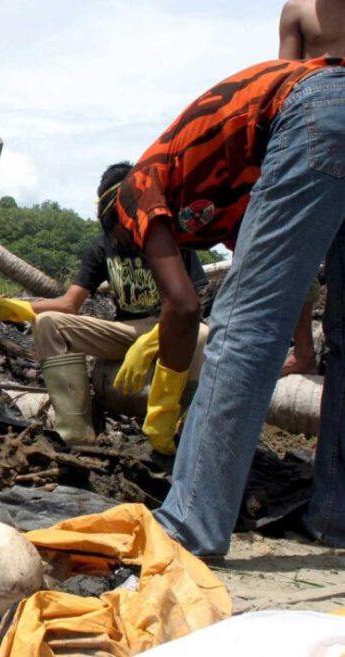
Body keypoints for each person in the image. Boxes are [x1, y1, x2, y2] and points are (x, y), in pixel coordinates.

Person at [100, 58, 345, 556]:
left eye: (132, 243)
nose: (140, 250)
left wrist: (163, 401)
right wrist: (303, 349)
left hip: (316, 110)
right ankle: (334, 517)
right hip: (330, 112)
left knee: (238, 330)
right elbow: (285, 278)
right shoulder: (222, 202)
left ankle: (188, 526)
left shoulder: (134, 190)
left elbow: (185, 306)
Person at [0, 162, 210, 448]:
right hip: (127, 331)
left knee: (203, 335)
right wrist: (14, 308)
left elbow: (197, 303)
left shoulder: (168, 238)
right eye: (116, 229)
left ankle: (181, 426)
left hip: (170, 330)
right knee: (48, 324)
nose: (123, 235)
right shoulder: (101, 247)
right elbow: (69, 304)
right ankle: (77, 434)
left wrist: (157, 338)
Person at [278, 0, 345, 375]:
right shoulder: (298, 11)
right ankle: (303, 350)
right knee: (294, 255)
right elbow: (283, 84)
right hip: (314, 138)